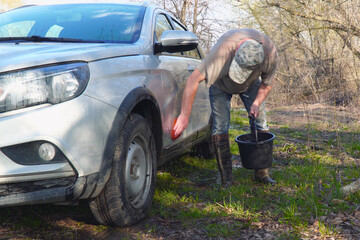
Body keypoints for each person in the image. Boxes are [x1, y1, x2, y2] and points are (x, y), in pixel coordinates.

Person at [173, 29, 279, 187]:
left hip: (251, 85)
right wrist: (184, 115)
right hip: (220, 85)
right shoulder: (221, 52)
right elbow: (193, 81)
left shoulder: (270, 54)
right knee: (220, 126)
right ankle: (226, 179)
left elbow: (266, 84)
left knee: (261, 122)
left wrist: (256, 102)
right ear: (235, 53)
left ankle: (261, 173)